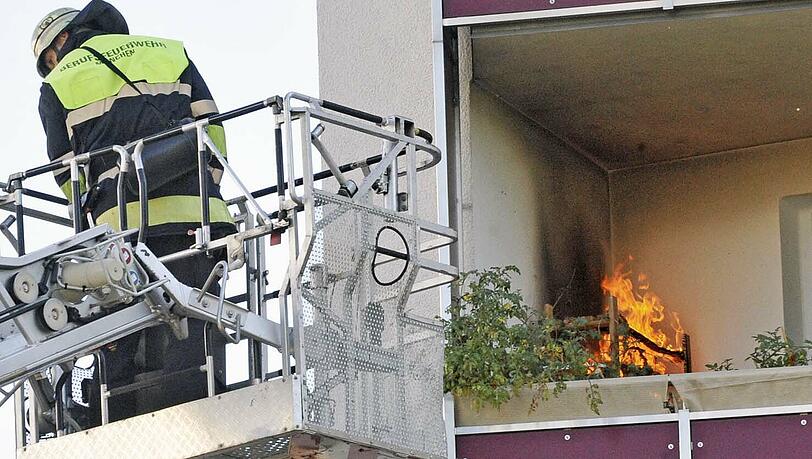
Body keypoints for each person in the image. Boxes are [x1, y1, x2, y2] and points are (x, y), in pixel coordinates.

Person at [32, 0, 233, 424]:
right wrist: (207, 185)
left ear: (65, 38)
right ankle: (204, 415)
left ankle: (119, 418)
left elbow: (68, 176)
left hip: (123, 234)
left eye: (50, 58)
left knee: (123, 337)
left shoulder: (58, 85)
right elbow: (213, 127)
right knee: (196, 326)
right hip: (196, 216)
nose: (53, 67)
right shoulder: (168, 51)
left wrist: (96, 214)